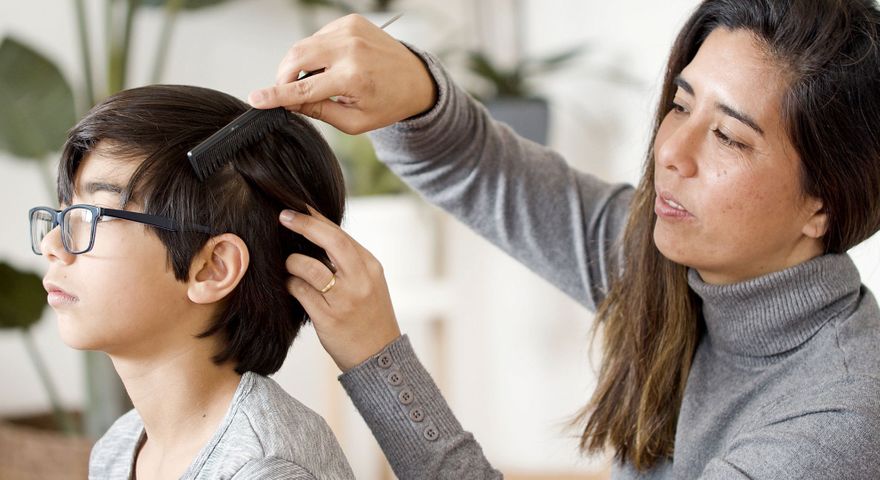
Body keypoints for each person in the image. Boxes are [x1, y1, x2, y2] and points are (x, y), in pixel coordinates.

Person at [250, 0, 880, 478]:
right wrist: (410, 86)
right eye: (681, 106)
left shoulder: (833, 429)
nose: (672, 154)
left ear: (824, 205)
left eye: (730, 138)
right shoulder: (667, 261)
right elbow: (482, 169)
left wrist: (377, 360)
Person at [29, 85, 355, 479]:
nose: (52, 244)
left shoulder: (265, 468)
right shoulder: (119, 448)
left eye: (95, 214)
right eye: (64, 214)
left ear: (212, 268)